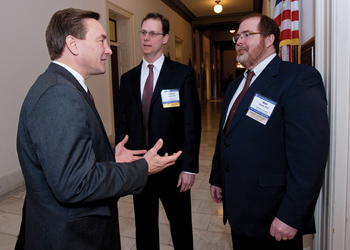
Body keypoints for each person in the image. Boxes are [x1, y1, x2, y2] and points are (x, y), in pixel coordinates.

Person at [16, 8, 182, 250]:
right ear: (72, 44)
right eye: (101, 40)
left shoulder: (62, 87)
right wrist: (143, 167)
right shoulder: (59, 95)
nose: (109, 49)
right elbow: (75, 184)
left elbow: (66, 161)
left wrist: (107, 157)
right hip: (72, 237)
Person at [209, 13, 329, 250]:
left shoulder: (298, 79)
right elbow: (225, 137)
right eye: (237, 36)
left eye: (247, 35)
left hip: (273, 216)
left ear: (269, 39)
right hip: (238, 208)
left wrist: (292, 215)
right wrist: (217, 178)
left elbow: (309, 157)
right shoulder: (235, 85)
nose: (239, 41)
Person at [115, 12, 201, 250]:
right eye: (143, 32)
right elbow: (122, 122)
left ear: (165, 38)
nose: (146, 38)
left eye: (153, 33)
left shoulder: (182, 74)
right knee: (144, 228)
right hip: (140, 168)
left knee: (181, 226)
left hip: (172, 167)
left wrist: (189, 168)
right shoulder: (128, 79)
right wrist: (123, 160)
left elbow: (191, 124)